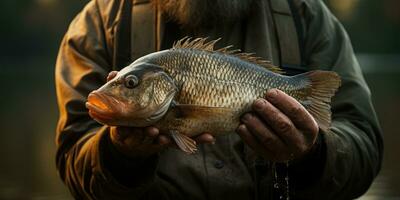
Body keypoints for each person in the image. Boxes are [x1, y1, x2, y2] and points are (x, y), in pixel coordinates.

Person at [55, 0, 383, 199]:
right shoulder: (100, 23)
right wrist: (119, 156)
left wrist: (312, 156)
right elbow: (74, 163)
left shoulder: (305, 16)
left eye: (131, 84)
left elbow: (363, 148)